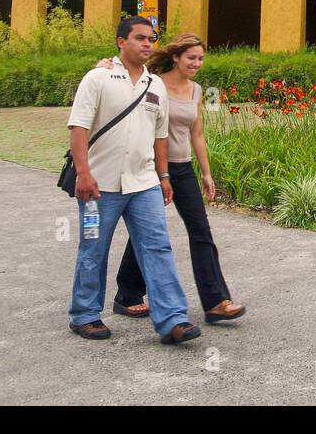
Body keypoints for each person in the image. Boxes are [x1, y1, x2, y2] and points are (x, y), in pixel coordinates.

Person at [67, 16, 200, 345]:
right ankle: (84, 314)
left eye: (151, 39)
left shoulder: (155, 86)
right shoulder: (97, 79)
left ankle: (172, 319)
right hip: (100, 186)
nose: (147, 44)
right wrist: (83, 174)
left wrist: (164, 176)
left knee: (158, 248)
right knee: (93, 249)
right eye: (140, 38)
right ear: (121, 42)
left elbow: (160, 137)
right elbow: (78, 128)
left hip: (144, 185)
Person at [102, 33, 246, 325]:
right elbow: (122, 83)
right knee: (149, 233)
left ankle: (216, 301)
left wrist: (206, 172)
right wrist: (106, 65)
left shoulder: (195, 90)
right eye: (191, 57)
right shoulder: (153, 83)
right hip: (152, 167)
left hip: (183, 168)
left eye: (201, 58)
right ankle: (127, 295)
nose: (197, 63)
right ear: (176, 57)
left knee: (201, 231)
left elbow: (197, 133)